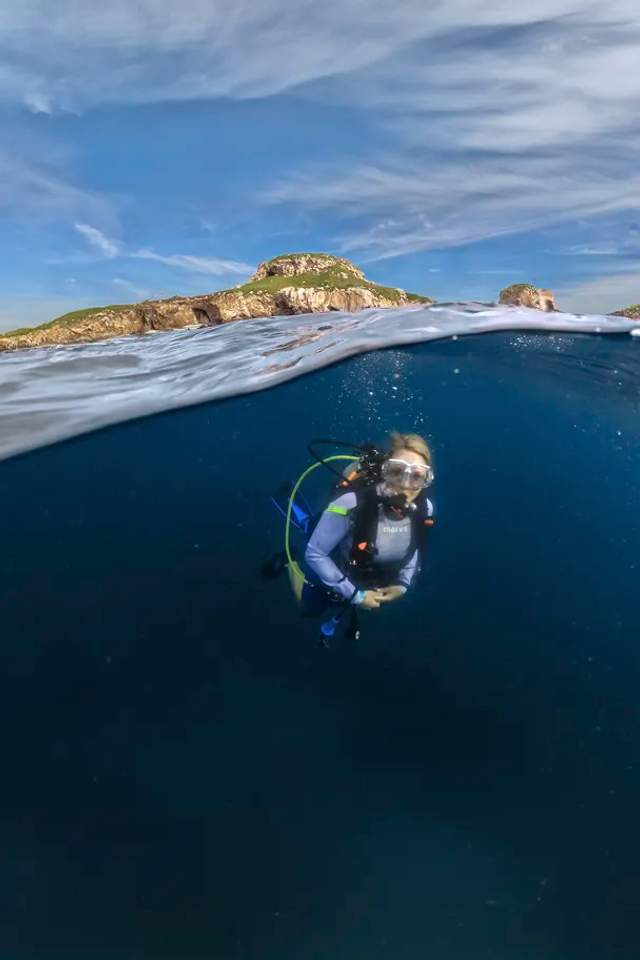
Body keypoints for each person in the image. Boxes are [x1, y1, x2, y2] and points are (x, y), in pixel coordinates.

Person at [300, 431, 434, 616]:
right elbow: (315, 553)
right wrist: (355, 595)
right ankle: (301, 532)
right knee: (311, 610)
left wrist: (403, 584)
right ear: (384, 472)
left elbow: (414, 547)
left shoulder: (425, 508)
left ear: (425, 480)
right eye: (396, 471)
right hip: (342, 574)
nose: (404, 484)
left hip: (375, 581)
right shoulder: (351, 503)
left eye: (417, 476)